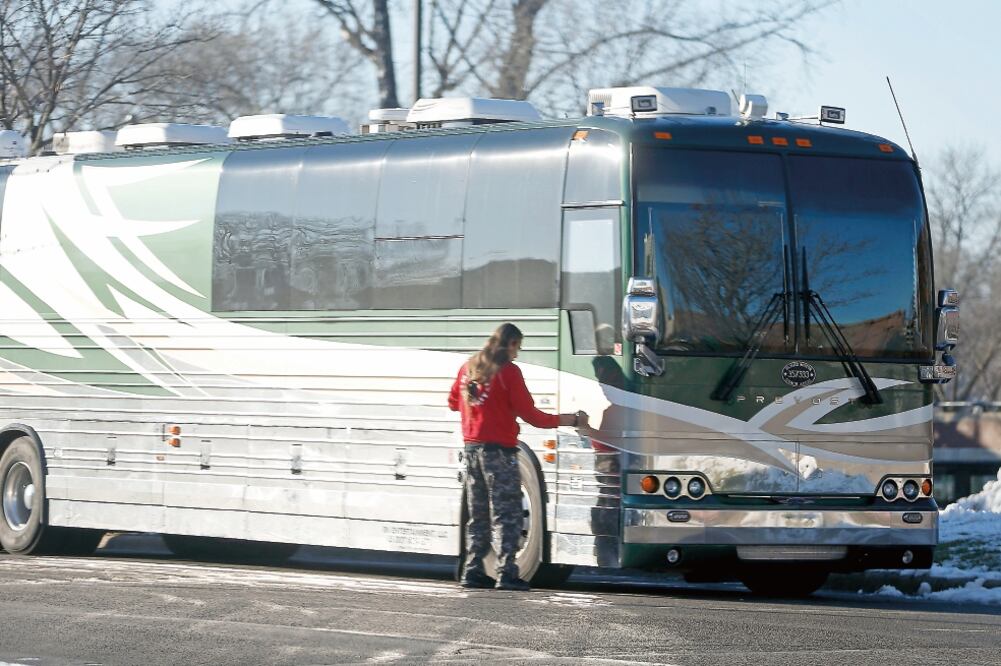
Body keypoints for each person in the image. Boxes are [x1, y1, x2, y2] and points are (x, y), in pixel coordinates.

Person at [448, 323, 588, 591]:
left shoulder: (468, 368)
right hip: (499, 453)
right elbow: (533, 416)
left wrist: (477, 411)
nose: (517, 354)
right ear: (509, 343)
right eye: (517, 347)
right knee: (508, 513)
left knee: (478, 514)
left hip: (472, 451)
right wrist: (569, 419)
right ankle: (506, 572)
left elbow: (454, 402)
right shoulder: (509, 373)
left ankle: (473, 569)